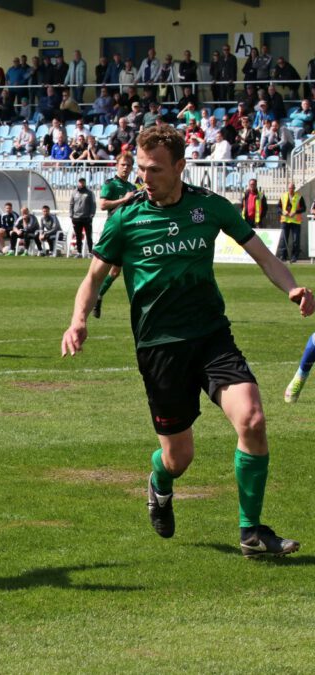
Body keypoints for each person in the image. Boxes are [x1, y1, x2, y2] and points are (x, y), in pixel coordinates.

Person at [62, 124, 313, 558]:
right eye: (141, 168)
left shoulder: (209, 207)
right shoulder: (126, 218)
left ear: (180, 166)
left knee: (252, 420)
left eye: (155, 169)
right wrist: (78, 320)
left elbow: (262, 254)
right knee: (179, 458)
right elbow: (93, 278)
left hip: (211, 336)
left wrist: (292, 288)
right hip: (160, 348)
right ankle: (159, 483)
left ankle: (251, 532)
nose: (145, 177)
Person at [93, 152, 138, 318]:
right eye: (122, 165)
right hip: (113, 231)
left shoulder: (132, 188)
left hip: (129, 231)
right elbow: (103, 204)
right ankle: (90, 297)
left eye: (128, 165)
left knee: (116, 271)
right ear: (117, 166)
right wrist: (123, 200)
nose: (125, 168)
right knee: (99, 270)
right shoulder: (111, 184)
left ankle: (99, 295)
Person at [276, 182, 306, 264]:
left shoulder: (299, 197)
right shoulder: (283, 196)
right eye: (289, 188)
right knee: (283, 239)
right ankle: (283, 256)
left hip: (295, 221)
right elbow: (278, 207)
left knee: (296, 239)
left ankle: (294, 257)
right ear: (288, 188)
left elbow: (304, 208)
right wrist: (282, 212)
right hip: (285, 221)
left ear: (294, 188)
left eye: (292, 188)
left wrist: (295, 212)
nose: (291, 190)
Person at [68, 177, 96, 257]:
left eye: (83, 182)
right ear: (78, 183)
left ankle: (90, 252)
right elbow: (71, 204)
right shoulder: (74, 192)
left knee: (89, 236)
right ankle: (79, 252)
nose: (81, 183)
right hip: (76, 218)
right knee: (78, 236)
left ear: (85, 183)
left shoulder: (89, 193)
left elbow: (93, 204)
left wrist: (92, 215)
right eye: (80, 182)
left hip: (87, 217)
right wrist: (71, 215)